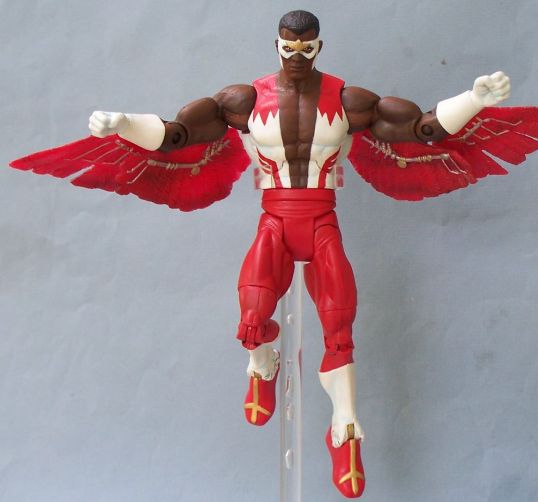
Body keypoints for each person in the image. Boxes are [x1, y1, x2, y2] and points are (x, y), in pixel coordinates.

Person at [87, 10, 510, 498]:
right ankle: (263, 363)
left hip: (322, 220)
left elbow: (422, 129)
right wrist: (125, 124)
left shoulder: (349, 101)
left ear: (318, 47)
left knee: (339, 324)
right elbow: (176, 135)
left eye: (305, 47)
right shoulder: (244, 100)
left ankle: (344, 427)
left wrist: (473, 100)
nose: (296, 56)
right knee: (252, 310)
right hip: (276, 220)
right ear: (276, 44)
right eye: (288, 47)